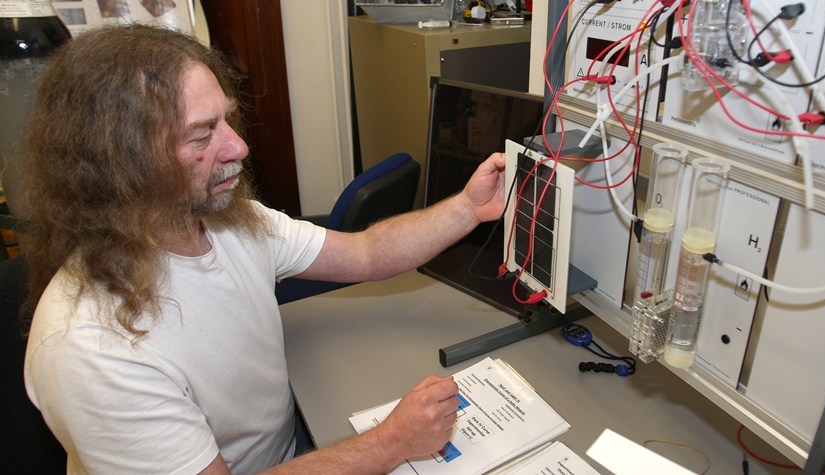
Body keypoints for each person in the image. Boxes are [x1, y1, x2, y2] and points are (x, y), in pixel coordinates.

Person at [19, 24, 507, 474]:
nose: (237, 147)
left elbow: (365, 253)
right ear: (121, 164)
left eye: (226, 120)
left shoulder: (229, 220)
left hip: (288, 446)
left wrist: (467, 208)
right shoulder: (90, 349)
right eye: (201, 135)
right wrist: (391, 442)